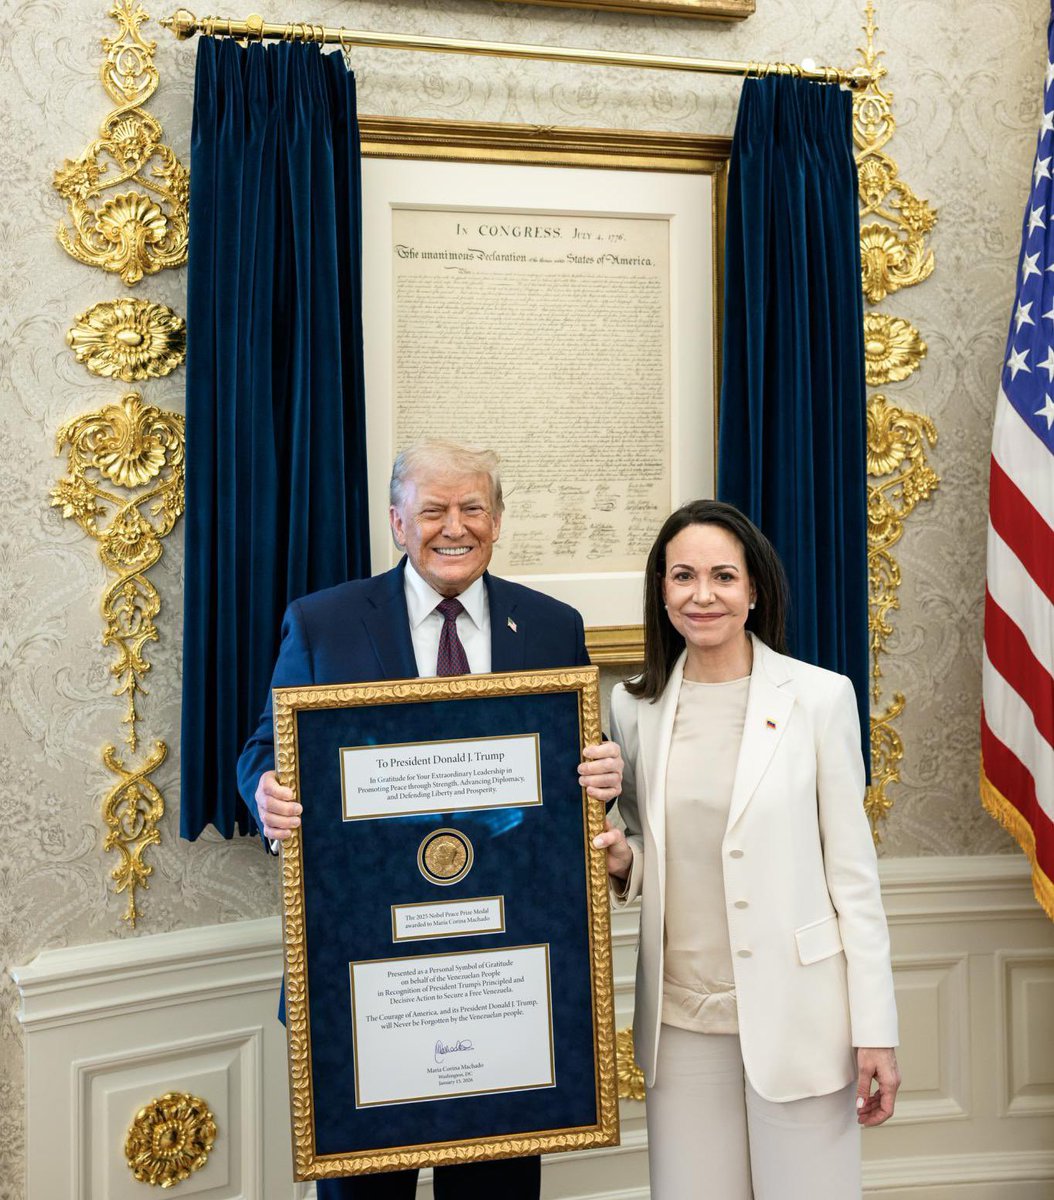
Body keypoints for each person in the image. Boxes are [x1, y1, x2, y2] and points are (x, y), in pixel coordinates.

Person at [238, 438, 623, 1200]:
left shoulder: (550, 625)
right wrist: (266, 791)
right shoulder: (324, 622)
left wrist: (604, 779)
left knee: (496, 1185)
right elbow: (264, 750)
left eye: (473, 508)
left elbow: (567, 776)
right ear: (397, 521)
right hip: (365, 961)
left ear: (498, 520)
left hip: (506, 960)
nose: (456, 527)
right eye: (435, 509)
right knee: (363, 1189)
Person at [593, 499, 899, 1200]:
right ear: (661, 591)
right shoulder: (633, 708)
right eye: (682, 577)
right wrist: (622, 862)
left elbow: (853, 879)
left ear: (754, 590)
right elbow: (645, 839)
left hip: (801, 1018)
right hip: (680, 1022)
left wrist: (875, 1031)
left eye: (723, 577)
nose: (702, 595)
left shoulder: (819, 699)